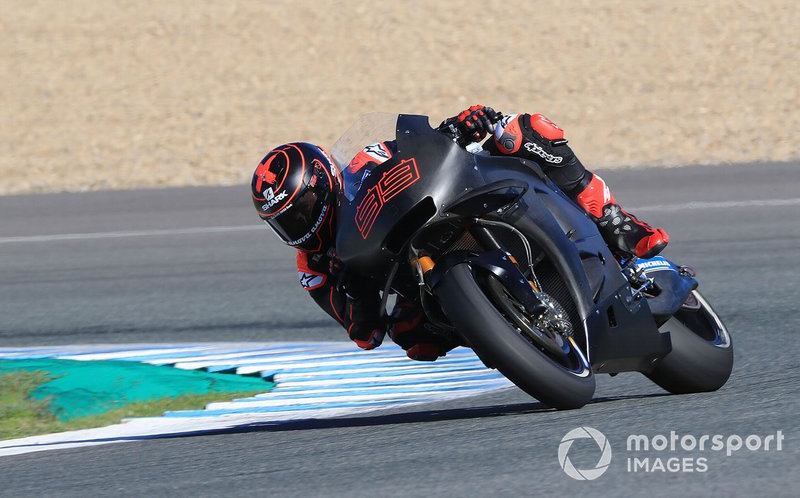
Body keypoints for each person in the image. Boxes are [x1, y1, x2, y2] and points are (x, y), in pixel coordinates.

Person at [251, 106, 669, 361]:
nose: (300, 226)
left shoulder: (365, 159)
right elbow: (364, 332)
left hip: (449, 202)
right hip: (414, 271)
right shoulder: (314, 266)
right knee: (414, 339)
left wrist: (458, 126)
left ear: (325, 180)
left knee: (519, 129)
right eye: (285, 222)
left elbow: (420, 149)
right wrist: (355, 294)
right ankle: (501, 331)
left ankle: (613, 217)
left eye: (302, 209)